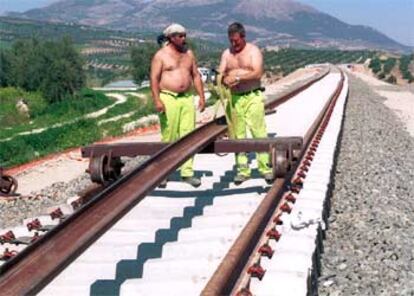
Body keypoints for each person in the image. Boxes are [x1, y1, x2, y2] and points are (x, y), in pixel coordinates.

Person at [150, 23, 206, 187]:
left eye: (184, 35)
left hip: (187, 98)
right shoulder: (161, 56)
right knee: (169, 136)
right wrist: (157, 100)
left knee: (188, 136)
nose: (184, 38)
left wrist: (201, 96)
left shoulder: (189, 54)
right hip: (169, 98)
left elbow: (195, 75)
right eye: (180, 36)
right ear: (171, 38)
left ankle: (187, 172)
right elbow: (153, 79)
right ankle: (163, 173)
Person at [218, 22, 273, 185]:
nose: (234, 44)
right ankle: (242, 170)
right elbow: (220, 72)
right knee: (237, 134)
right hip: (234, 99)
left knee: (258, 131)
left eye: (236, 41)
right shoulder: (226, 54)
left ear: (243, 37)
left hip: (252, 96)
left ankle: (265, 168)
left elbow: (257, 73)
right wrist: (222, 79)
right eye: (231, 41)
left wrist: (238, 78)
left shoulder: (253, 51)